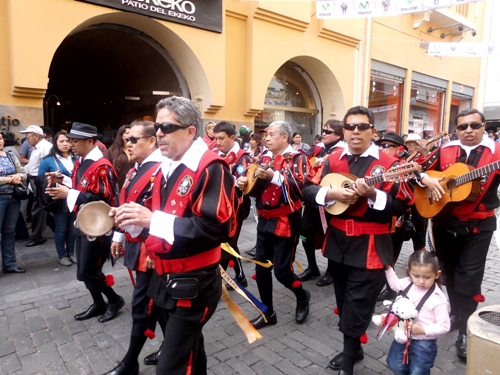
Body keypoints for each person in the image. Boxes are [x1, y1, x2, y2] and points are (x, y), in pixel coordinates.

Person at [113, 96, 237, 375]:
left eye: (167, 127)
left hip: (193, 284)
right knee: (191, 351)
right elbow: (161, 220)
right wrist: (132, 219)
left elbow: (217, 229)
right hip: (165, 277)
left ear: (191, 131)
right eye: (157, 127)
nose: (159, 134)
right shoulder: (166, 166)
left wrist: (151, 219)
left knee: (171, 367)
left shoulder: (211, 167)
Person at [302, 106, 414, 375]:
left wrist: (374, 195)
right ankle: (355, 347)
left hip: (371, 245)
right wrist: (331, 195)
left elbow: (402, 204)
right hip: (339, 242)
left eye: (362, 126)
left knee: (357, 303)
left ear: (373, 131)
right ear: (344, 130)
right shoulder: (332, 159)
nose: (355, 131)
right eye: (350, 126)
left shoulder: (390, 165)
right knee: (343, 302)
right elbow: (308, 189)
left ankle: (349, 364)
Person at [418, 108, 500, 361]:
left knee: (469, 278)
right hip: (445, 222)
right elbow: (413, 169)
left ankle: (466, 329)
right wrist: (425, 179)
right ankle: (453, 314)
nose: (469, 131)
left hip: (479, 225)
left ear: (484, 126)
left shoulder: (497, 152)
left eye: (475, 126)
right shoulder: (444, 150)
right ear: (456, 129)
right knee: (449, 273)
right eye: (463, 127)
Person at [46, 122, 125, 323]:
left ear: (90, 141)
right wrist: (62, 180)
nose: (71, 144)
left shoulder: (101, 165)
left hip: (98, 225)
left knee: (88, 270)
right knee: (84, 269)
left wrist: (68, 193)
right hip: (85, 221)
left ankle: (114, 300)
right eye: (70, 140)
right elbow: (81, 186)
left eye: (75, 141)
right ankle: (99, 303)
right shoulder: (82, 161)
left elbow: (101, 199)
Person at [105, 121, 166, 375]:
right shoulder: (135, 169)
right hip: (137, 244)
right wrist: (118, 236)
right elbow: (127, 204)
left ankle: (130, 362)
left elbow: (162, 213)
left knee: (143, 305)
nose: (127, 144)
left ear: (151, 141)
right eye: (126, 139)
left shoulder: (161, 169)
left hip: (151, 249)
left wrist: (154, 249)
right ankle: (171, 346)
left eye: (133, 140)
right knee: (158, 301)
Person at [236, 120, 311, 329]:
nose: (266, 138)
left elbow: (301, 188)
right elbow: (252, 185)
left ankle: (302, 295)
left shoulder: (297, 158)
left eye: (270, 134)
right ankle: (267, 312)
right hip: (265, 220)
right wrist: (242, 183)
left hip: (286, 220)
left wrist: (275, 176)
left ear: (284, 136)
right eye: (265, 135)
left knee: (282, 272)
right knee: (261, 269)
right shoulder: (263, 157)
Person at [385, 251, 450, 375]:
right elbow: (394, 284)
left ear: (437, 275)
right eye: (416, 276)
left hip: (424, 343)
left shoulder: (438, 299)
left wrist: (423, 330)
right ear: (409, 271)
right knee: (395, 364)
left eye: (427, 277)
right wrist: (388, 267)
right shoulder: (407, 283)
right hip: (402, 336)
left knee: (417, 372)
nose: (421, 281)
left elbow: (444, 326)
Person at [298, 119, 344, 287]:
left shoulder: (342, 153)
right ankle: (312, 267)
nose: (323, 133)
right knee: (305, 233)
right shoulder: (318, 149)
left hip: (330, 201)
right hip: (312, 199)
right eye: (323, 130)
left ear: (339, 135)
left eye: (328, 131)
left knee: (330, 236)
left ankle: (331, 271)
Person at [213, 121, 251, 288]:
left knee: (227, 242)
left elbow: (241, 183)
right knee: (229, 242)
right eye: (216, 138)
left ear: (232, 138)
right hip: (220, 206)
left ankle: (216, 281)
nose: (218, 142)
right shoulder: (217, 154)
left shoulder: (242, 157)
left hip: (235, 206)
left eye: (221, 138)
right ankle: (241, 276)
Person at [38, 132, 77, 266]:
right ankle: (62, 255)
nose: (65, 144)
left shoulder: (76, 158)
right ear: (55, 143)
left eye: (68, 141)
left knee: (72, 227)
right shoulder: (49, 160)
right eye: (62, 141)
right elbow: (39, 179)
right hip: (58, 198)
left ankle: (71, 252)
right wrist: (50, 176)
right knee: (61, 227)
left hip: (74, 196)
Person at [20, 125, 54, 247]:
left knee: (38, 209)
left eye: (28, 136)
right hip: (34, 180)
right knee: (43, 208)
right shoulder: (36, 147)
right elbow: (31, 166)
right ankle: (56, 230)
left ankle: (37, 237)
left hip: (40, 180)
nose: (26, 139)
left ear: (36, 136)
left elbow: (47, 166)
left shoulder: (46, 147)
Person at [0, 131, 27, 273]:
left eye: (0, 139)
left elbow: (23, 172)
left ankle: (10, 264)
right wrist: (7, 179)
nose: (0, 141)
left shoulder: (10, 156)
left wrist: (19, 176)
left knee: (10, 232)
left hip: (13, 198)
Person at [106, 125, 134, 191]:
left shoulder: (137, 148)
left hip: (134, 186)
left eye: (131, 133)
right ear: (121, 136)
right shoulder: (113, 150)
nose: (129, 135)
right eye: (127, 133)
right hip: (118, 187)